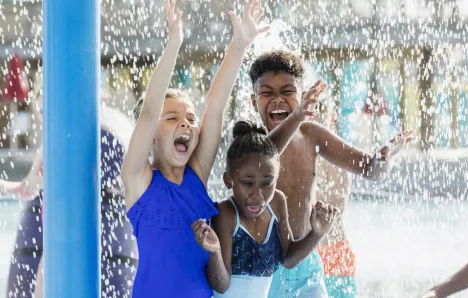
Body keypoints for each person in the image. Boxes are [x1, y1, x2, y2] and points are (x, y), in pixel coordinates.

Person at [121, 0, 269, 297]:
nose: (187, 125)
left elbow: (214, 108)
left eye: (190, 119)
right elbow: (150, 110)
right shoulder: (138, 181)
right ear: (150, 135)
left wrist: (239, 45)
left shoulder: (196, 177)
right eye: (173, 118)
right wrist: (173, 44)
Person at [247, 50, 414, 297]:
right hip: (262, 266)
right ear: (253, 102)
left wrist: (383, 159)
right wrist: (296, 118)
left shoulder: (311, 135)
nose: (278, 100)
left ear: (302, 96)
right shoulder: (247, 141)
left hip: (306, 262)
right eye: (267, 93)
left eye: (287, 92)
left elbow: (368, 169)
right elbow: (263, 160)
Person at [1, 77, 138, 298]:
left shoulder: (94, 130)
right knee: (45, 279)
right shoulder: (50, 144)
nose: (44, 112)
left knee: (74, 272)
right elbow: (30, 185)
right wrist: (10, 187)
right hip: (56, 223)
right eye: (41, 107)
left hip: (82, 221)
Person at [190, 119, 340, 298]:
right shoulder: (227, 213)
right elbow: (222, 285)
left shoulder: (276, 201)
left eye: (267, 183)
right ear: (229, 181)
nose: (258, 194)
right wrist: (215, 252)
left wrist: (317, 234)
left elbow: (288, 260)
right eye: (247, 183)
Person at [315, 101, 357, 297]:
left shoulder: (339, 154)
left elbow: (336, 206)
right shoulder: (299, 151)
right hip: (309, 252)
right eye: (313, 110)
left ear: (331, 116)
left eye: (321, 110)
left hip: (334, 252)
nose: (316, 116)